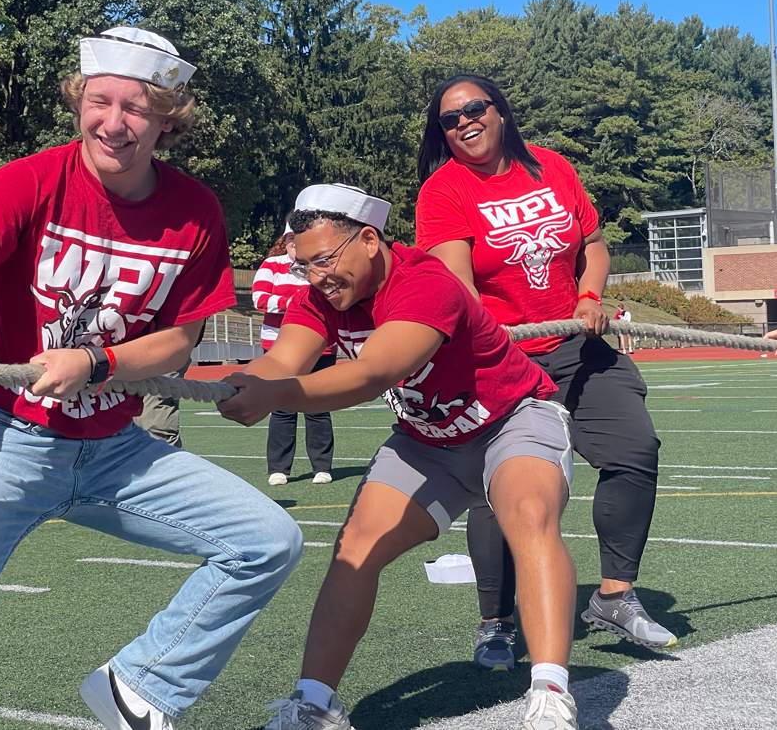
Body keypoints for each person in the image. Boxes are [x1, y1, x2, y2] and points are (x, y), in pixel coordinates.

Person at [0, 26, 302, 730]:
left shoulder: (196, 211)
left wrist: (97, 363)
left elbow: (179, 341)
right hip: (7, 439)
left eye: (136, 108)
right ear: (78, 99)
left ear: (168, 118)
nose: (114, 122)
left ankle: (141, 683)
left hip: (119, 448)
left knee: (269, 540)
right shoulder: (23, 181)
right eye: (100, 101)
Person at [223, 184, 579, 730]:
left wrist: (277, 395)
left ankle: (551, 696)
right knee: (354, 549)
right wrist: (247, 383)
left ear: (369, 239)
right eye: (304, 266)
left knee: (529, 515)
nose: (317, 277)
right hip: (428, 439)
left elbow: (374, 373)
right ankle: (314, 704)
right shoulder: (318, 297)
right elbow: (285, 360)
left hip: (511, 418)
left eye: (324, 261)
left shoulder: (427, 283)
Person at [414, 73, 672, 668]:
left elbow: (595, 243)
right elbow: (458, 286)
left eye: (474, 108)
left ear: (500, 111)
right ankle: (496, 623)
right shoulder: (444, 191)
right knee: (501, 489)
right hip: (504, 356)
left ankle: (615, 595)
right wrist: (486, 336)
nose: (464, 122)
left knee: (635, 448)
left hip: (579, 346)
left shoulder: (550, 167)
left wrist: (588, 294)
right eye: (449, 119)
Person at [252, 226, 335, 485]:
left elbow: (332, 296)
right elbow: (260, 299)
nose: (294, 244)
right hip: (279, 349)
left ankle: (322, 467)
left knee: (318, 408)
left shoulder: (321, 264)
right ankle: (279, 468)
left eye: (297, 239)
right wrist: (296, 303)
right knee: (282, 409)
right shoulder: (272, 265)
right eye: (290, 239)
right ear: (285, 241)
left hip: (322, 347)